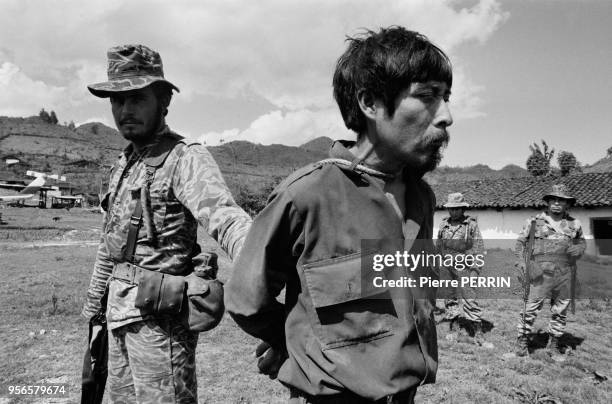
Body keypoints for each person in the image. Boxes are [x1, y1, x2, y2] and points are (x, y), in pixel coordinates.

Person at [226, 27, 453, 403]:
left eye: (446, 97)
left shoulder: (422, 197)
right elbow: (246, 301)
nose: (446, 116)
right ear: (369, 103)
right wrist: (294, 340)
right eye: (427, 96)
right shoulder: (308, 195)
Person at [82, 44, 251, 403]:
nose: (124, 110)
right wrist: (94, 307)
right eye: (116, 101)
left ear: (162, 100)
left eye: (136, 99)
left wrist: (264, 257)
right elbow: (108, 245)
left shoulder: (183, 158)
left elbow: (225, 216)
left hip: (161, 329)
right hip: (119, 320)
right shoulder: (124, 164)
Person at [515, 184, 585, 358]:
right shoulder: (534, 222)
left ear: (567, 204)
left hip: (564, 273)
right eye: (552, 199)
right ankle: (522, 343)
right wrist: (524, 265)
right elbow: (520, 245)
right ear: (547, 202)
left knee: (560, 311)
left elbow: (581, 243)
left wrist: (579, 249)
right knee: (529, 308)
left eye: (560, 200)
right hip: (540, 272)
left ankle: (553, 344)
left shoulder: (574, 224)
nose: (556, 203)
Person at [436, 192, 485, 341]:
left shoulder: (471, 225)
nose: (454, 211)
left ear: (463, 209)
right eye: (451, 209)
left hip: (465, 267)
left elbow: (478, 248)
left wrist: (475, 270)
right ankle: (454, 327)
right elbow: (439, 245)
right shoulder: (443, 224)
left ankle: (477, 331)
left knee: (469, 298)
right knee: (449, 298)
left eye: (457, 209)